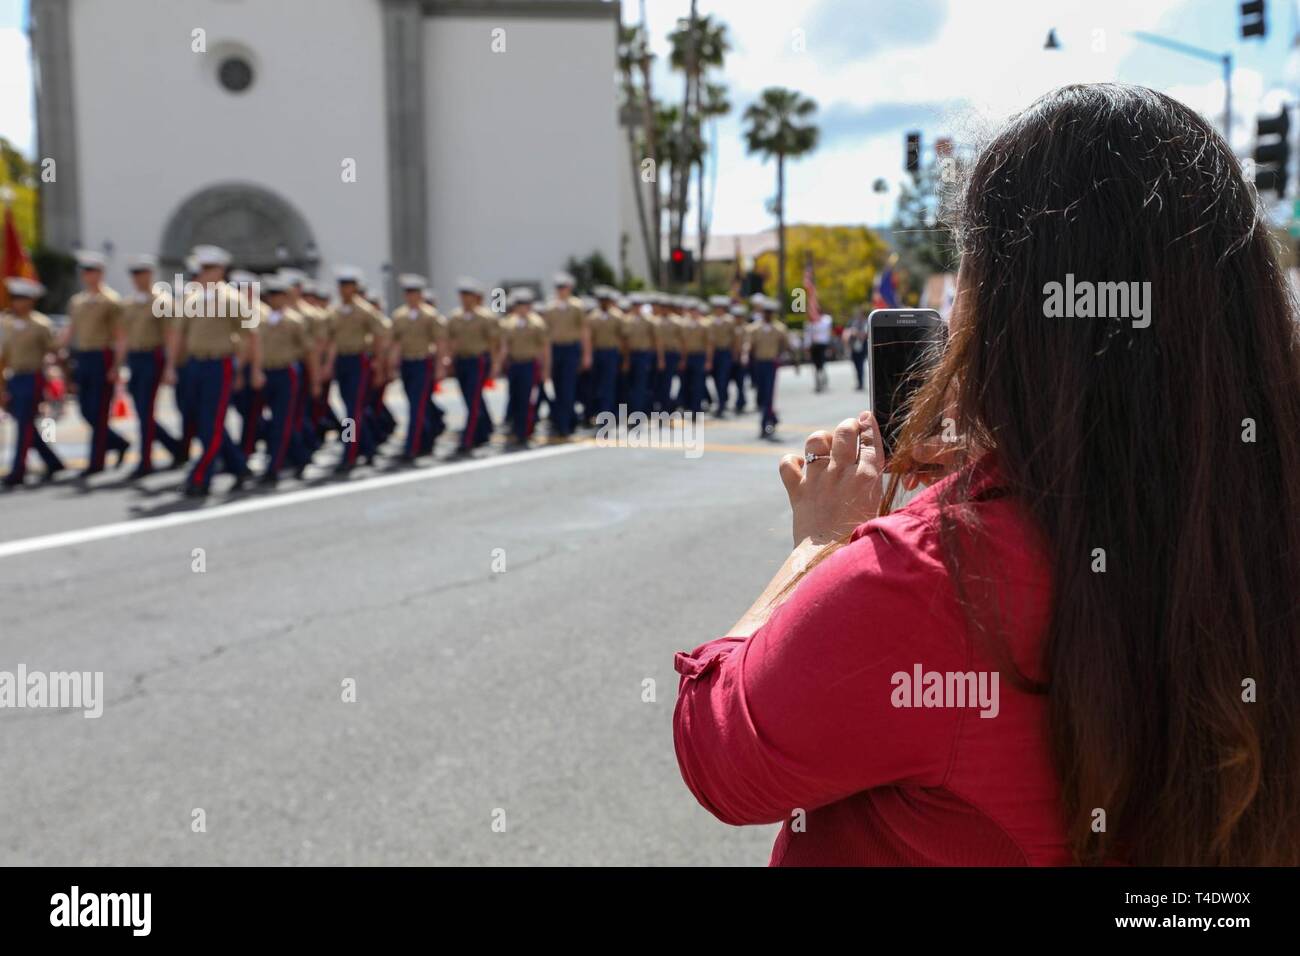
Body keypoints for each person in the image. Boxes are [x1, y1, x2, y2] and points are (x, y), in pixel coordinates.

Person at [673, 84, 1300, 867]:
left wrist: (819, 548)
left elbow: (720, 753)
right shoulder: (1266, 511)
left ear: (1007, 315)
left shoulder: (932, 579)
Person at [164, 245, 257, 497]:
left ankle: (200, 477)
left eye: (209, 268)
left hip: (219, 364)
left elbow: (249, 335)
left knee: (211, 424)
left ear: (221, 270)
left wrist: (243, 368)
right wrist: (171, 366)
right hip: (194, 364)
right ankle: (239, 467)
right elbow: (178, 335)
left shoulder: (232, 298)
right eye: (201, 268)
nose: (203, 273)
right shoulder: (191, 297)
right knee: (197, 420)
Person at [63, 250, 129, 476]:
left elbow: (120, 336)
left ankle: (96, 461)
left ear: (101, 273)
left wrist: (116, 366)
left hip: (103, 356)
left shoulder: (111, 301)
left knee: (99, 411)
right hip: (83, 357)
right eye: (85, 271)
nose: (87, 275)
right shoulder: (77, 301)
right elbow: (70, 332)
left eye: (92, 271)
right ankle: (118, 442)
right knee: (84, 409)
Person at [120, 254, 183, 477]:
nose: (137, 278)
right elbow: (123, 337)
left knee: (146, 409)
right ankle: (175, 448)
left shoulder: (162, 301)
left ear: (150, 274)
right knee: (141, 411)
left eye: (141, 273)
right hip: (135, 360)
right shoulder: (129, 304)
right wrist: (118, 365)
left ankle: (145, 461)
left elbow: (170, 336)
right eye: (134, 274)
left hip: (152, 357)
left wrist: (169, 366)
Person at [0, 277, 64, 487]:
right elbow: (3, 356)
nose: (18, 302)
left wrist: (60, 380)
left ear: (31, 300)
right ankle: (52, 461)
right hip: (14, 377)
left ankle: (18, 470)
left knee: (24, 425)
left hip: (33, 376)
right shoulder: (7, 324)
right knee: (24, 424)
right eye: (15, 297)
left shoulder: (40, 324)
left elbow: (54, 352)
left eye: (22, 298)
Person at [326, 266, 388, 473]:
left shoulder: (364, 310)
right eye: (341, 285)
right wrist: (328, 365)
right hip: (342, 361)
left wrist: (378, 363)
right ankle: (368, 448)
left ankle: (349, 453)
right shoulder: (334, 311)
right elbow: (332, 340)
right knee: (351, 409)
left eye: (348, 285)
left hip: (358, 360)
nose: (344, 289)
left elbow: (379, 335)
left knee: (352, 412)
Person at [254, 275, 315, 485]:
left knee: (283, 421)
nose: (275, 299)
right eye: (272, 295)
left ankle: (274, 467)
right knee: (274, 422)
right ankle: (301, 457)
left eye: (279, 295)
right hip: (267, 372)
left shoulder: (295, 321)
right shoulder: (261, 319)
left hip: (286, 372)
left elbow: (309, 351)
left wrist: (315, 380)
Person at [389, 274, 447, 462]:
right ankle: (426, 440)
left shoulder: (430, 315)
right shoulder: (400, 316)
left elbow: (439, 343)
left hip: (423, 362)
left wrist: (440, 367)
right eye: (408, 293)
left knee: (417, 406)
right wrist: (392, 365)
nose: (411, 296)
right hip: (407, 363)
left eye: (414, 292)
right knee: (416, 404)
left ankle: (411, 447)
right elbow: (396, 343)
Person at [446, 277, 499, 455]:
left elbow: (493, 344)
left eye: (468, 295)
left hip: (478, 360)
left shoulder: (485, 317)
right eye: (462, 295)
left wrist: (495, 366)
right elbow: (451, 341)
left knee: (474, 398)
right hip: (462, 360)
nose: (465, 298)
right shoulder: (456, 317)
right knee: (470, 398)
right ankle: (485, 428)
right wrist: (450, 360)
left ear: (476, 297)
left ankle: (468, 438)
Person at [498, 287, 550, 447]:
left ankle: (526, 431)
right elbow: (505, 346)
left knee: (528, 398)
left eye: (525, 304)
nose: (522, 308)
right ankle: (515, 428)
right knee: (514, 396)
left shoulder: (537, 323)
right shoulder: (508, 322)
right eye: (519, 304)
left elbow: (544, 348)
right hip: (514, 364)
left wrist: (545, 369)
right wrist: (499, 364)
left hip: (530, 364)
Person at [540, 272, 589, 437]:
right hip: (555, 349)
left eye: (564, 287)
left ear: (569, 288)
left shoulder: (576, 306)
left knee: (568, 387)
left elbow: (584, 331)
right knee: (557, 388)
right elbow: (545, 335)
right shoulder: (550, 308)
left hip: (571, 349)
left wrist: (586, 354)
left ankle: (565, 424)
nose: (561, 291)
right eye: (558, 288)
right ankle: (562, 420)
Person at [747, 295, 787, 439]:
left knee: (768, 394)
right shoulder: (754, 329)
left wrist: (785, 358)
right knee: (761, 395)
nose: (768, 315)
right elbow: (749, 347)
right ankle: (773, 417)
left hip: (771, 363)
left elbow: (785, 345)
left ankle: (764, 424)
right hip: (758, 364)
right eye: (766, 312)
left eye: (770, 312)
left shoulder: (779, 329)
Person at [586, 286, 623, 423]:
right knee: (596, 386)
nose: (604, 303)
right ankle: (598, 413)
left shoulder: (617, 316)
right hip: (597, 352)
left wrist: (624, 358)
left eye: (606, 300)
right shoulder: (592, 317)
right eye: (601, 300)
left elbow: (622, 338)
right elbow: (588, 338)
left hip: (612, 353)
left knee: (608, 385)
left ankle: (607, 415)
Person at [620, 293, 658, 416]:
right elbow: (624, 341)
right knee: (628, 385)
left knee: (640, 385)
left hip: (643, 354)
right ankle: (631, 411)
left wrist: (651, 356)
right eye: (634, 305)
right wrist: (625, 360)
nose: (636, 308)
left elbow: (655, 339)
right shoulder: (626, 320)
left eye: (638, 305)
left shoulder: (648, 321)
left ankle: (638, 413)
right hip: (629, 355)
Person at [706, 295, 734, 417]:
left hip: (725, 352)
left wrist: (735, 353)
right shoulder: (710, 321)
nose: (718, 310)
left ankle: (722, 403)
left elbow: (734, 338)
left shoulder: (729, 321)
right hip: (713, 352)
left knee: (723, 379)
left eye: (720, 308)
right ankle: (721, 399)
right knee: (716, 379)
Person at [805, 309, 833, 393]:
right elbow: (808, 336)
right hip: (814, 346)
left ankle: (822, 380)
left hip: (822, 345)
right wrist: (807, 348)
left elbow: (827, 323)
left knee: (821, 363)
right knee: (816, 365)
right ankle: (818, 382)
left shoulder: (824, 321)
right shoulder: (809, 324)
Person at [843, 308, 869, 391]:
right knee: (856, 366)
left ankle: (861, 383)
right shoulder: (853, 323)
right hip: (854, 347)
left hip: (862, 347)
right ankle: (858, 382)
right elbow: (847, 333)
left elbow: (865, 335)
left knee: (860, 365)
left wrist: (856, 333)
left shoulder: (866, 323)